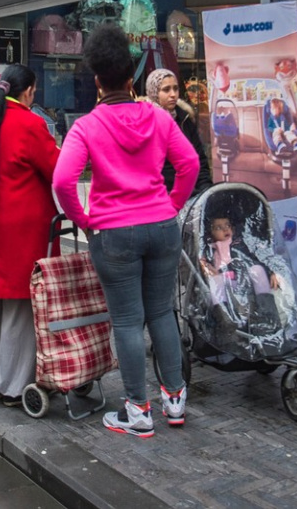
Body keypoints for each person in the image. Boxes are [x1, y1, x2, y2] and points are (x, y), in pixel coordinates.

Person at [53, 24, 199, 438]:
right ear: (132, 80)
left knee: (128, 321)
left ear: (97, 81)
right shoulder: (157, 116)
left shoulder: (86, 126)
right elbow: (188, 165)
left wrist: (83, 220)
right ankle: (174, 399)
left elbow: (64, 181)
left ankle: (137, 410)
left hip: (113, 233)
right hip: (161, 226)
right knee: (161, 314)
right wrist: (170, 205)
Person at [0, 64, 60, 407]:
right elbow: (57, 170)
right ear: (29, 92)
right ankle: (13, 386)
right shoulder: (32, 124)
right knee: (20, 308)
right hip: (22, 231)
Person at [199, 214, 283, 338]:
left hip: (242, 278)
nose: (225, 229)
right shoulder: (208, 249)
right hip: (223, 279)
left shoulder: (240, 244)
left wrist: (271, 272)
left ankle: (267, 312)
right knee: (215, 281)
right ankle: (224, 316)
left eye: (227, 225)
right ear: (210, 233)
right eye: (218, 228)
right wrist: (204, 265)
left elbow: (256, 258)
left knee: (257, 269)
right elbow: (202, 263)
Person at [144, 68, 212, 195]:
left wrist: (206, 191)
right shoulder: (145, 122)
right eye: (166, 89)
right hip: (159, 197)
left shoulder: (184, 119)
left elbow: (200, 160)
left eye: (175, 88)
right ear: (154, 92)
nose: (173, 94)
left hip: (191, 194)